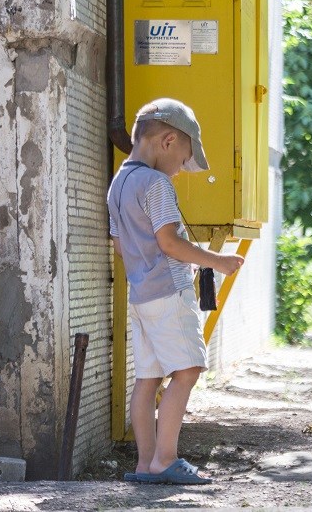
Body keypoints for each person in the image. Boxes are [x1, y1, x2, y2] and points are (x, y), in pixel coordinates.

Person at [107, 98, 245, 484]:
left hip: (140, 296)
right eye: (184, 159)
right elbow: (169, 242)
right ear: (168, 140)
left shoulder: (119, 184)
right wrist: (215, 260)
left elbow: (120, 246)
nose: (183, 171)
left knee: (147, 379)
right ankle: (166, 459)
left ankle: (145, 463)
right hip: (169, 292)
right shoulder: (156, 183)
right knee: (187, 371)